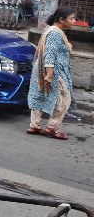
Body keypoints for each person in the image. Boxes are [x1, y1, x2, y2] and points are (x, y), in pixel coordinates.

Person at [26, 7, 76, 140]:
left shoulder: (50, 29)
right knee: (64, 99)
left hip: (42, 68)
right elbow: (50, 54)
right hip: (52, 70)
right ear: (61, 19)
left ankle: (34, 125)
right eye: (71, 18)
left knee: (39, 95)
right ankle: (52, 128)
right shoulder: (55, 33)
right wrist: (49, 75)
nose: (74, 21)